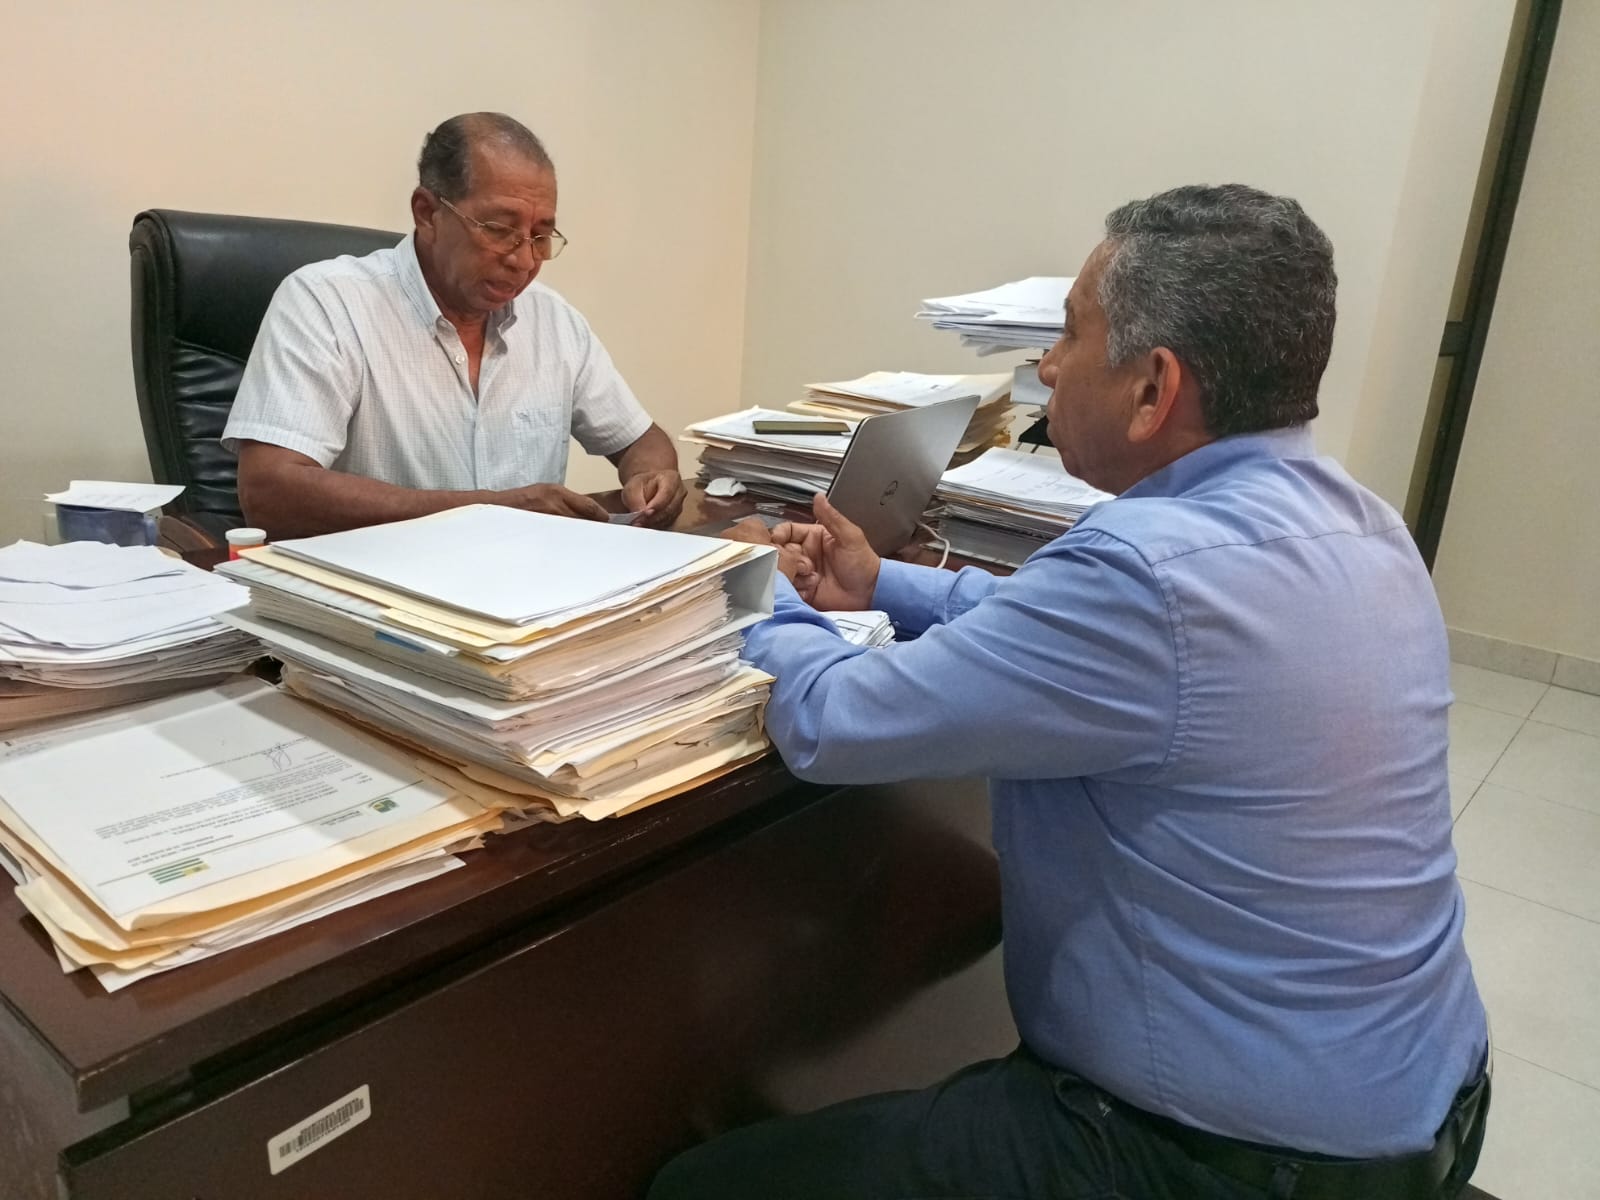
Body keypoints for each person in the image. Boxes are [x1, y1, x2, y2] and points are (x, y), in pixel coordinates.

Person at [651, 184, 1490, 1200]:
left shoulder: (1146, 573)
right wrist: (880, 585)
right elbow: (1062, 634)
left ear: (1153, 388)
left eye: (1070, 334)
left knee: (702, 1188)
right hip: (1422, 1118)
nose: (1046, 367)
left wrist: (753, 584)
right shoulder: (1365, 524)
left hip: (1207, 1163)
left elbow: (831, 720)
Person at [223, 112, 685, 538]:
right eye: (500, 230)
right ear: (427, 213)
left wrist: (651, 476)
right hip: (379, 585)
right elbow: (270, 492)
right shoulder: (328, 303)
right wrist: (488, 510)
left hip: (526, 585)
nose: (524, 260)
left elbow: (640, 440)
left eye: (541, 236)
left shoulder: (553, 321)